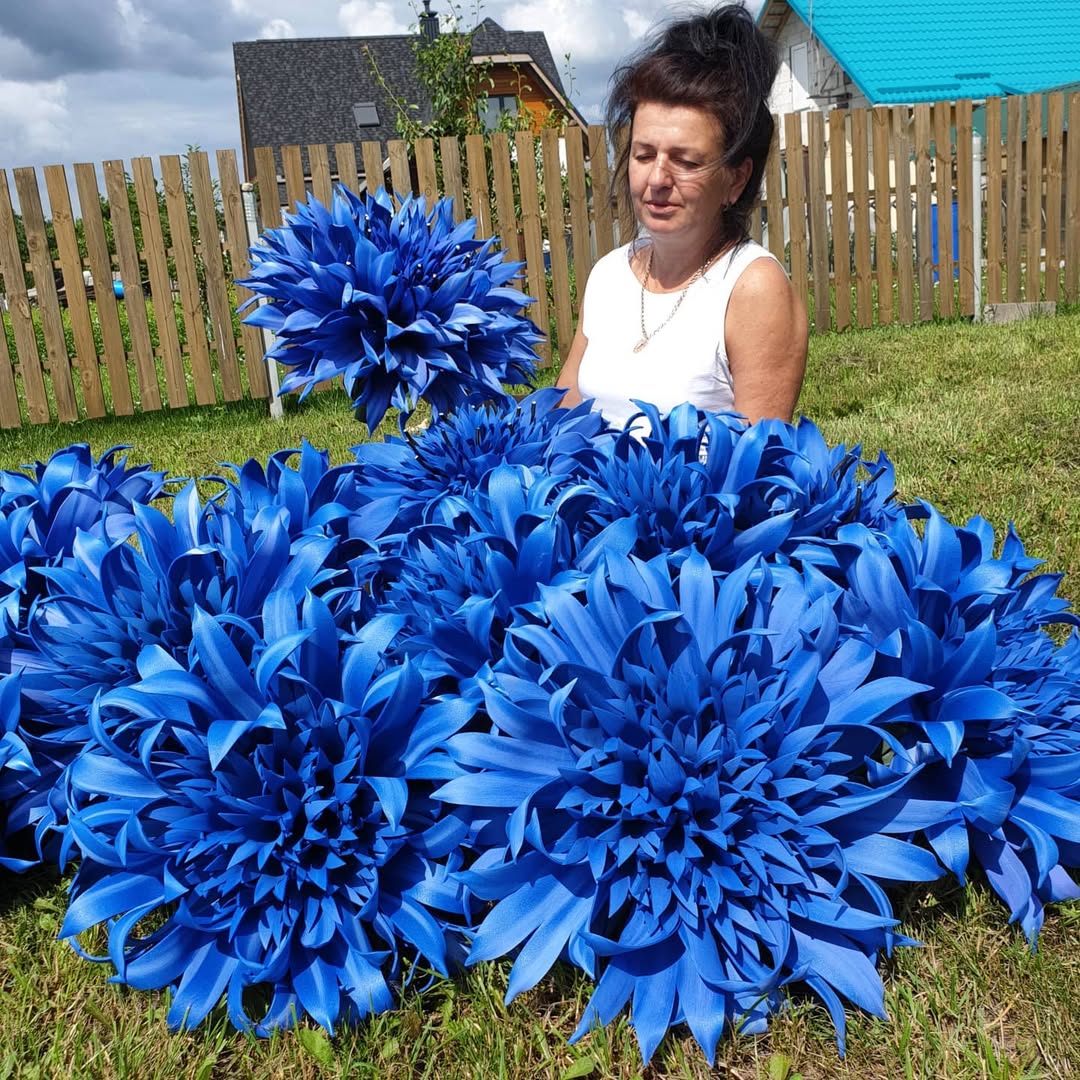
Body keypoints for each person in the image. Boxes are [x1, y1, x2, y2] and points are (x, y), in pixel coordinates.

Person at [557, 3, 808, 431]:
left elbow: (758, 469)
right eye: (643, 154)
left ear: (735, 178)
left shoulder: (751, 288)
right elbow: (560, 413)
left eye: (686, 162)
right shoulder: (608, 275)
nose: (657, 178)